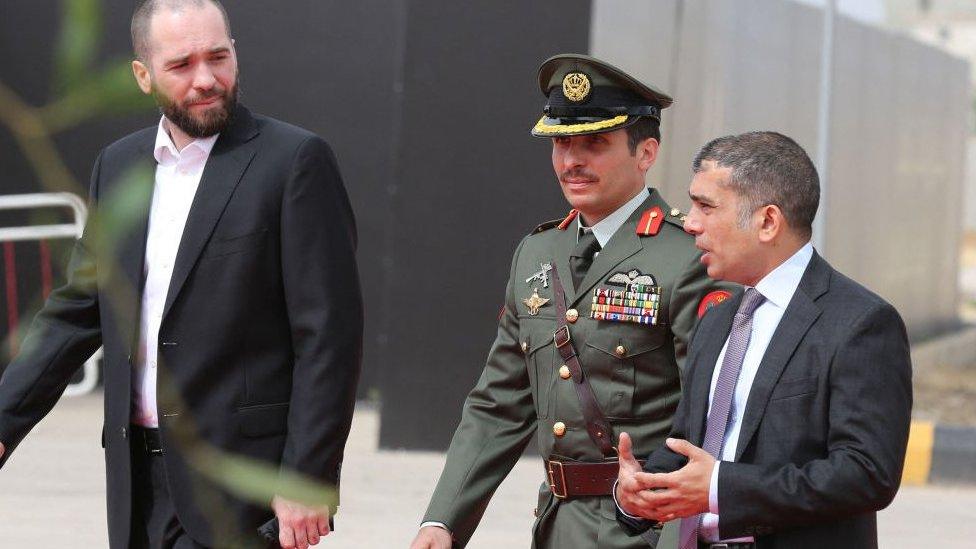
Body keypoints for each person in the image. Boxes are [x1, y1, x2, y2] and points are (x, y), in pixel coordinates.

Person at [0, 1, 362, 547]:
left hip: (240, 488)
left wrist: (308, 472)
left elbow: (329, 336)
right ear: (142, 76)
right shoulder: (118, 166)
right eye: (181, 65)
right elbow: (77, 311)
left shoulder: (293, 162)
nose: (206, 79)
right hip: (135, 480)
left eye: (218, 57)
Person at [410, 54, 732, 549]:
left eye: (594, 144)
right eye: (561, 142)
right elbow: (499, 404)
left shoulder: (688, 257)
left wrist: (679, 537)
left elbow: (712, 417)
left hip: (648, 527)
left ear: (646, 152)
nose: (571, 161)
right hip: (557, 526)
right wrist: (443, 521)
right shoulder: (537, 253)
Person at [614, 131, 912, 549]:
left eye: (706, 206)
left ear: (768, 222)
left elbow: (866, 474)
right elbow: (687, 444)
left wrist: (720, 487)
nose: (690, 222)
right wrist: (639, 493)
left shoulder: (860, 323)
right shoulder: (718, 319)